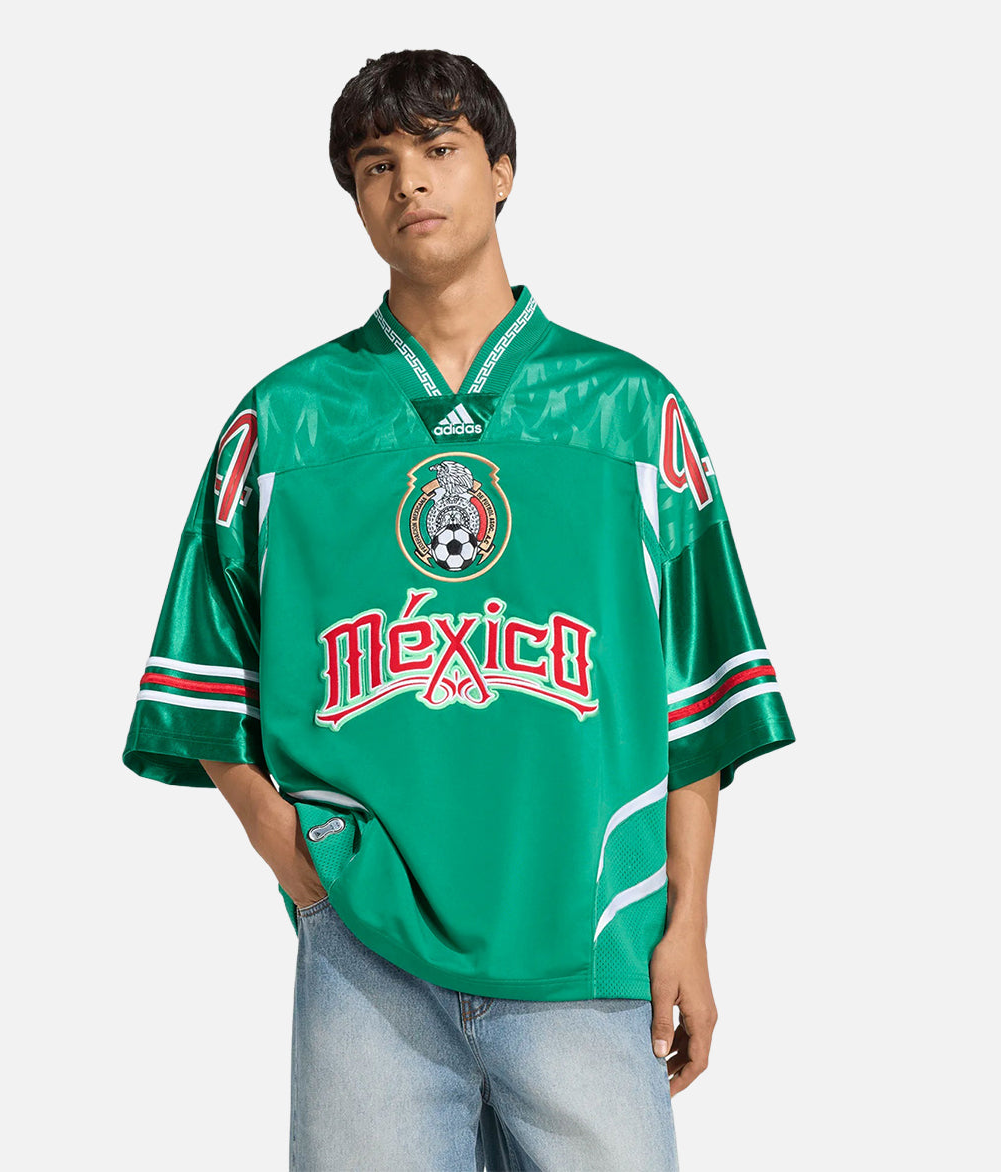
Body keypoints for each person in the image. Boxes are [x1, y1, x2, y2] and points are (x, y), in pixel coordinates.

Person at [122, 48, 795, 1171]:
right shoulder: (284, 422)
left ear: (503, 171)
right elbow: (200, 682)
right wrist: (299, 862)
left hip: (589, 950)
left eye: (439, 149)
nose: (410, 184)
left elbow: (698, 698)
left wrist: (688, 922)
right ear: (354, 198)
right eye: (375, 165)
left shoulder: (630, 413)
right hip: (368, 959)